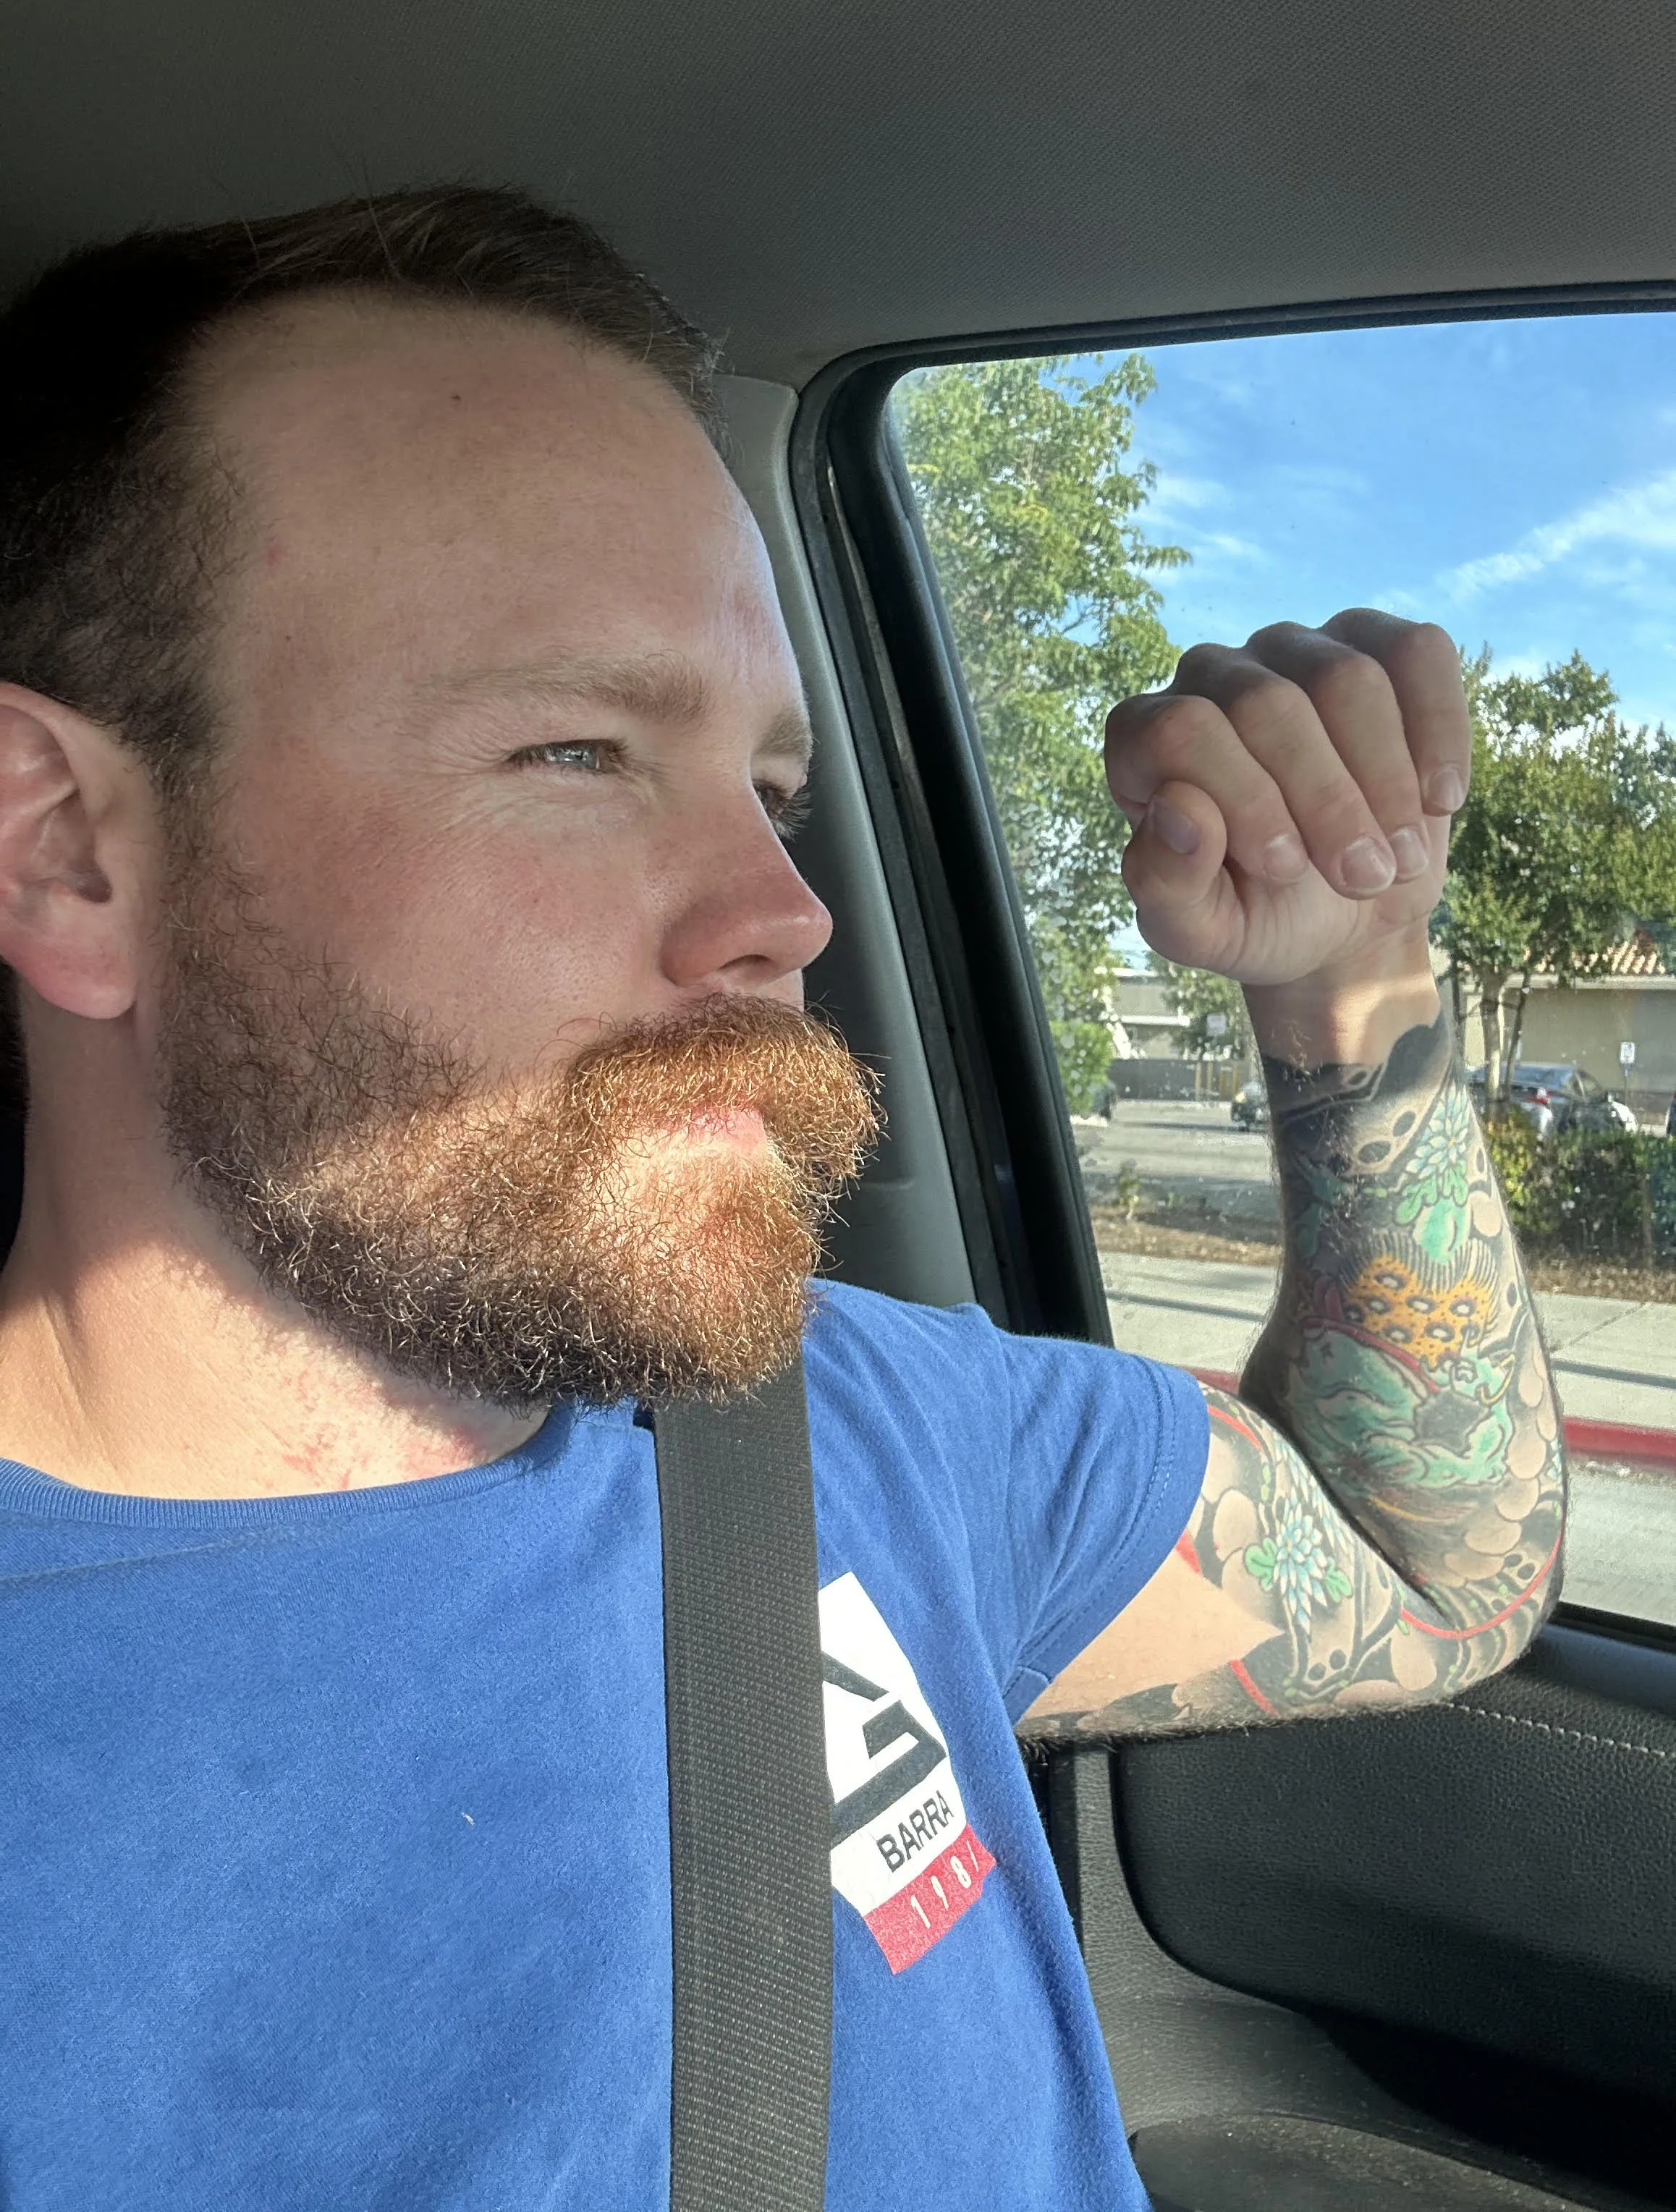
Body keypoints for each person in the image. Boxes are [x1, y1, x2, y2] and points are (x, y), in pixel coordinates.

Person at [0, 187, 1563, 2210]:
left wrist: (1349, 981)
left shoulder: (850, 1424)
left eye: (772, 789)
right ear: (64, 855)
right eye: (572, 748)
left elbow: (1425, 1568)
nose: (782, 912)